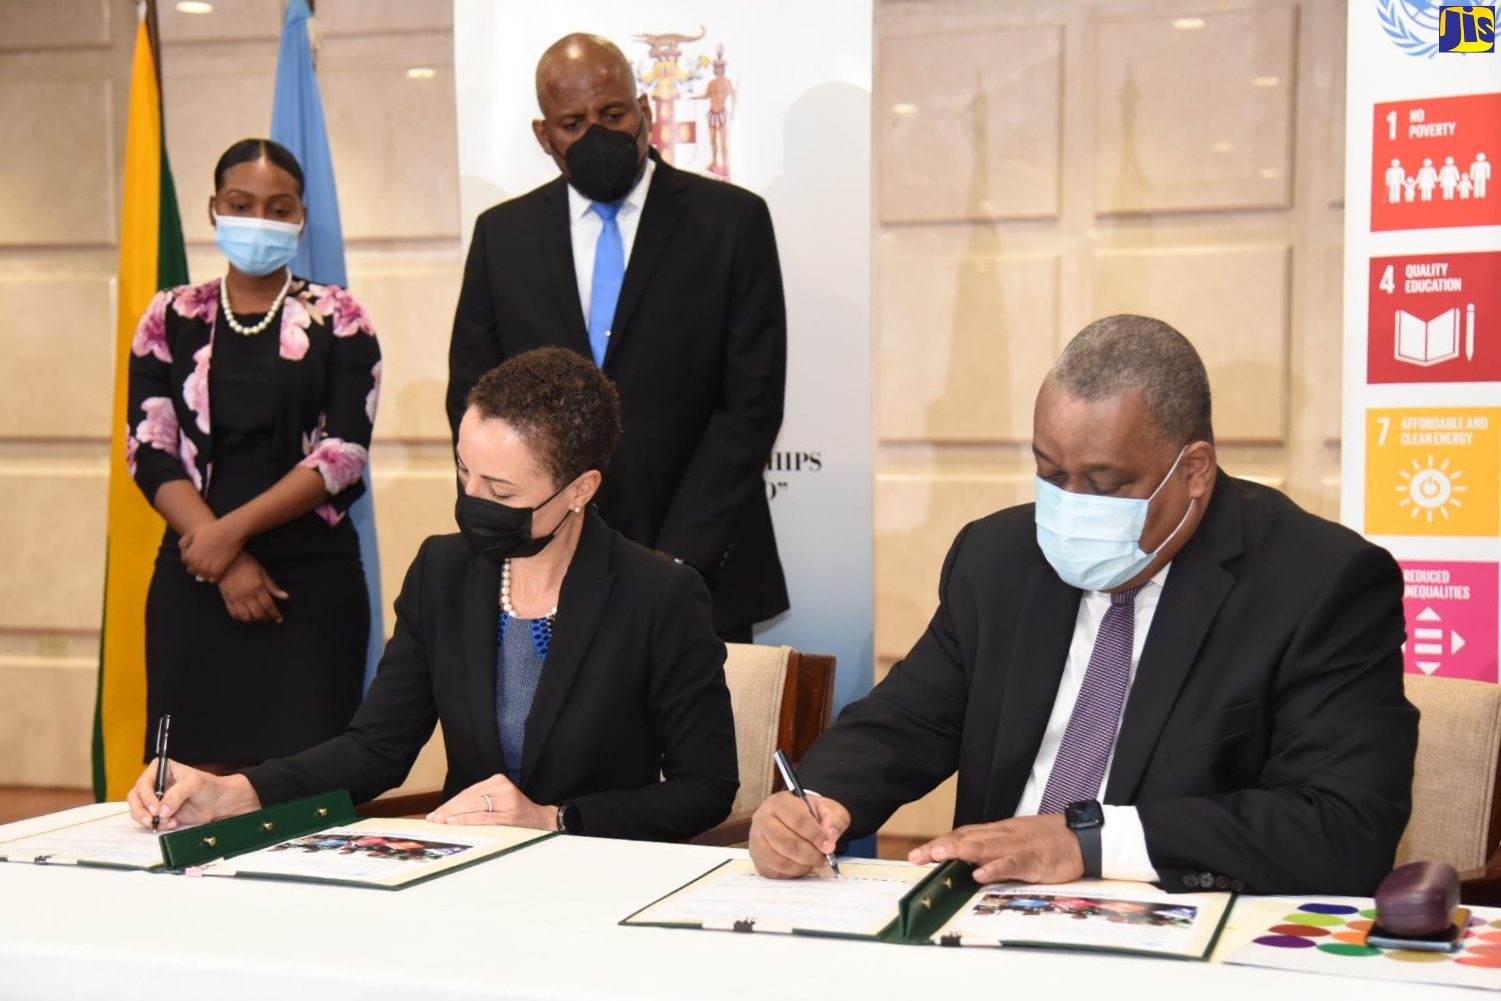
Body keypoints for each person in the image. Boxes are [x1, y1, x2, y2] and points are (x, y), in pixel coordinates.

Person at [749, 315, 1417, 896]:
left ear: (1194, 470)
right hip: (988, 923)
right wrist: (817, 799)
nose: (1069, 503)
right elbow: (906, 722)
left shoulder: (1319, 582)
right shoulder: (998, 557)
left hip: (1179, 928)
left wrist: (1088, 841)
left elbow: (1343, 825)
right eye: (1047, 471)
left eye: (1103, 482)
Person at [129, 347, 739, 843]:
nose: (473, 501)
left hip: (596, 878)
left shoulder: (659, 595)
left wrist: (555, 820)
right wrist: (237, 791)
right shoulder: (442, 571)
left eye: (500, 492)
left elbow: (706, 787)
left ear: (581, 489)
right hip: (463, 874)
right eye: (463, 472)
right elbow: (375, 748)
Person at [446, 32, 788, 643]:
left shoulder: (732, 222)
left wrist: (677, 558)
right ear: (543, 134)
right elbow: (474, 398)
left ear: (645, 113)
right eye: (573, 122)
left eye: (613, 113)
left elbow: (751, 404)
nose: (596, 134)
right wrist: (526, 528)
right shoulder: (503, 235)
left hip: (700, 570)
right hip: (541, 565)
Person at [126, 138, 380, 771]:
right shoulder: (172, 314)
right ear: (214, 209)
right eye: (241, 204)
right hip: (195, 580)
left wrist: (228, 536)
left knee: (308, 782)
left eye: (278, 207)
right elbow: (148, 448)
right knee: (185, 779)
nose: (259, 220)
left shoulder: (340, 316)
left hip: (310, 585)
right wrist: (220, 556)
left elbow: (342, 455)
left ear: (299, 218)